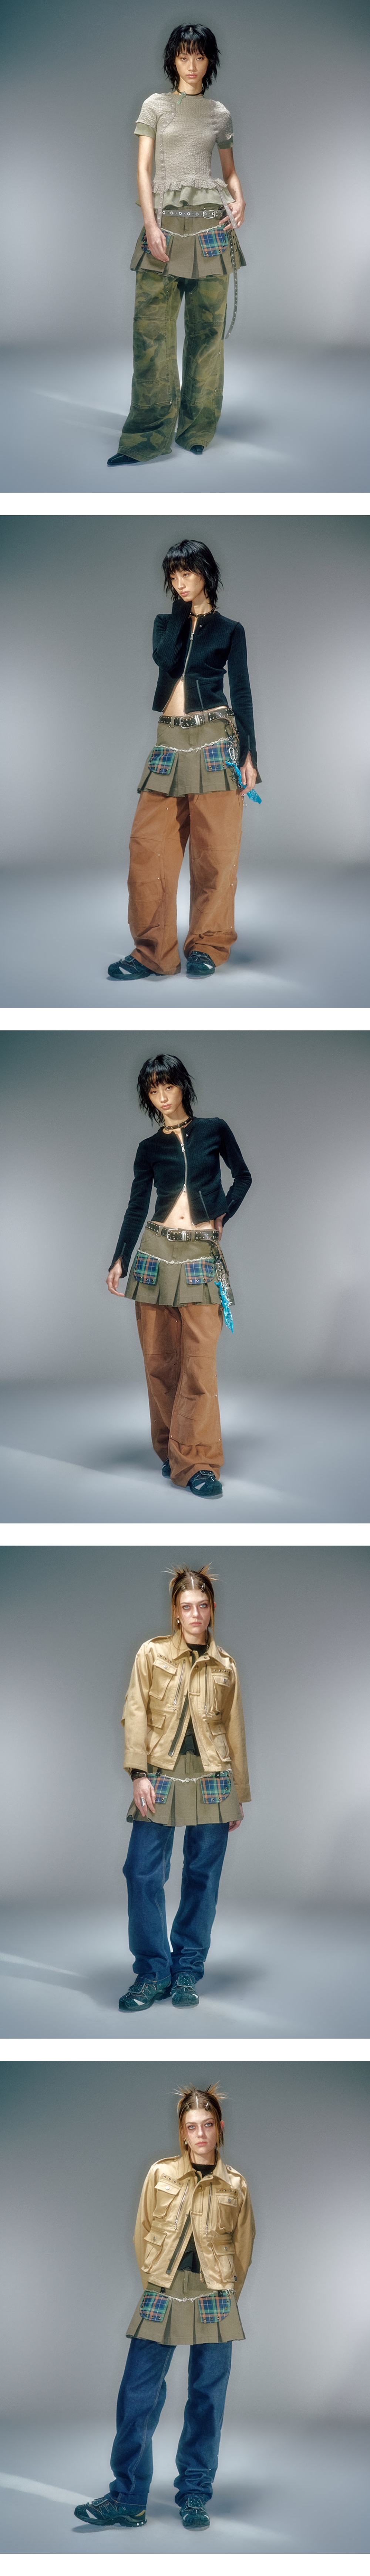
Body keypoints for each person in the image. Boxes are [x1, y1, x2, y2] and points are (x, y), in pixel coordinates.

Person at [75, 2082, 255, 2530]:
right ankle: (128, 2497)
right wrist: (157, 2282)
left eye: (207, 2125)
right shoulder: (160, 2174)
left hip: (215, 2294)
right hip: (162, 2288)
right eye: (192, 2127)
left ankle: (195, 2494)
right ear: (182, 2132)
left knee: (207, 2399)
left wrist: (226, 2295)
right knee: (138, 2394)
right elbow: (142, 2233)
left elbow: (243, 2248)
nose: (200, 2134)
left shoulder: (235, 2184)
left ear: (220, 2128)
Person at [108, 538, 260, 983]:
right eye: (173, 576)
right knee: (147, 849)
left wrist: (250, 754)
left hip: (216, 741)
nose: (179, 582)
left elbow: (242, 693)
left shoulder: (230, 630)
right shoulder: (165, 624)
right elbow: (167, 660)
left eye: (187, 573)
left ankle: (207, 946)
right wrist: (182, 612)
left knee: (215, 854)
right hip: (169, 744)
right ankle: (152, 952)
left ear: (206, 574)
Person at [106, 1051, 252, 1499]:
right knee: (160, 1362)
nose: (162, 1097)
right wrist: (119, 1258)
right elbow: (137, 1206)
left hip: (200, 1253)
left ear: (182, 1086)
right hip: (153, 1252)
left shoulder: (214, 1130)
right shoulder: (148, 1149)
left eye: (168, 1086)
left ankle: (199, 1463)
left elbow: (243, 1176)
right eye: (153, 1090)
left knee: (198, 1365)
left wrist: (223, 1212)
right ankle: (173, 1449)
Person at [108, 23, 247, 467]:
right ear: (173, 60)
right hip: (164, 230)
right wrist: (150, 224)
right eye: (184, 56)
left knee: (207, 337)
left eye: (200, 57)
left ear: (210, 61)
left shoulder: (219, 114)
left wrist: (240, 198)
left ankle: (197, 429)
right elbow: (143, 170)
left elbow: (229, 173)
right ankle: (147, 437)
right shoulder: (155, 106)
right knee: (151, 336)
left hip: (211, 232)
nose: (192, 65)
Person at [119, 1564, 250, 2013]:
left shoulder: (226, 1665)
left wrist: (238, 1795)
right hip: (160, 1773)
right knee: (141, 1872)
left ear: (213, 1609)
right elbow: (135, 1712)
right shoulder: (151, 1654)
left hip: (214, 1778)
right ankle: (153, 1971)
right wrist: (138, 1773)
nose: (195, 1614)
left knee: (202, 1877)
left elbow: (235, 1730)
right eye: (186, 1607)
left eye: (202, 1606)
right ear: (175, 1612)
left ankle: (188, 1969)